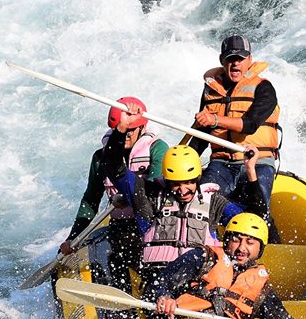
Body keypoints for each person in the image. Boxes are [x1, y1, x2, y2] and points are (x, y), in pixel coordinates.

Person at [106, 110, 267, 288]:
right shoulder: (149, 195)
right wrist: (121, 128)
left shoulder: (213, 201)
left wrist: (251, 170)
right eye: (176, 184)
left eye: (189, 182)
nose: (183, 190)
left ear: (199, 177)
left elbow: (255, 219)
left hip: (198, 286)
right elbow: (114, 168)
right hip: (159, 283)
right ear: (166, 180)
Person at [146, 214, 306, 319]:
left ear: (260, 248)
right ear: (226, 241)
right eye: (236, 240)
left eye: (250, 243)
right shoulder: (203, 258)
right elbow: (159, 283)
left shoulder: (260, 288)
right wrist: (164, 297)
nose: (241, 248)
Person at [59, 96, 168, 286]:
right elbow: (91, 199)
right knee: (115, 263)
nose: (127, 135)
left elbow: (153, 190)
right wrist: (73, 238)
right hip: (120, 227)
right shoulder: (101, 157)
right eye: (123, 129)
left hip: (150, 223)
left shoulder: (157, 148)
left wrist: (128, 196)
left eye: (131, 130)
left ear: (142, 128)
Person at [188, 34, 281, 208]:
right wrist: (186, 162)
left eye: (240, 58)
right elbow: (201, 136)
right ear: (222, 61)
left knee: (257, 210)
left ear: (249, 60)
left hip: (257, 161)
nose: (235, 63)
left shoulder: (264, 88)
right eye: (231, 58)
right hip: (221, 164)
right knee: (200, 204)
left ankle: (266, 230)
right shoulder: (211, 91)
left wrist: (214, 119)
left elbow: (250, 125)